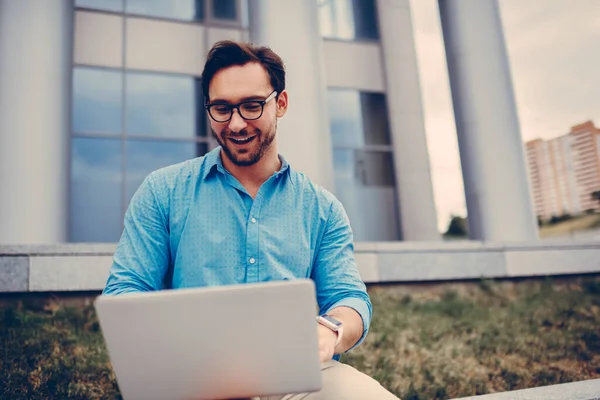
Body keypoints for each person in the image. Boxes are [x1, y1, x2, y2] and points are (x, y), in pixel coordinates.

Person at [103, 40, 399, 400]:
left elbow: (349, 298)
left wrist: (329, 331)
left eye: (252, 106)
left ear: (281, 104)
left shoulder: (323, 209)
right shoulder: (162, 191)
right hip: (192, 378)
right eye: (222, 109)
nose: (236, 123)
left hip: (295, 376)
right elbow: (125, 291)